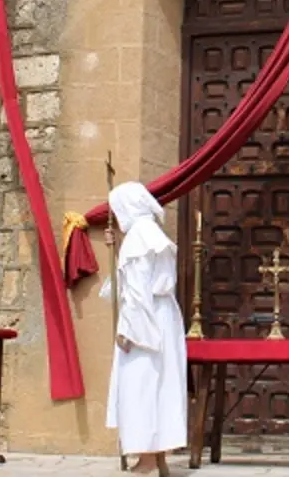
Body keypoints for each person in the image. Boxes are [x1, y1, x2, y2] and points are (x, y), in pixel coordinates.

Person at [104, 182, 187, 476]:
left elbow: (137, 292)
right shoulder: (151, 233)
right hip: (163, 316)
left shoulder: (138, 238)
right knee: (160, 386)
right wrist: (117, 251)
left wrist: (130, 330)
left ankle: (147, 460)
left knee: (140, 387)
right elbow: (138, 280)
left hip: (145, 318)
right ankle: (159, 456)